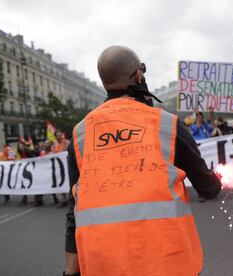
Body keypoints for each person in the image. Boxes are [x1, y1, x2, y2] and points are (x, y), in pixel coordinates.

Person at [64, 46, 222, 276]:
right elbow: (207, 187)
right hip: (169, 264)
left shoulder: (79, 135)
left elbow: (73, 211)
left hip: (103, 266)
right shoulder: (167, 124)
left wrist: (70, 272)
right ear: (139, 75)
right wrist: (215, 181)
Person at [52, 130, 69, 208]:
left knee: (69, 181)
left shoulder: (66, 142)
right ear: (55, 136)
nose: (60, 137)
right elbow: (52, 153)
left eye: (60, 135)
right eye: (58, 135)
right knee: (61, 181)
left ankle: (72, 198)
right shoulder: (54, 144)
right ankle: (64, 199)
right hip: (58, 166)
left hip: (66, 165)